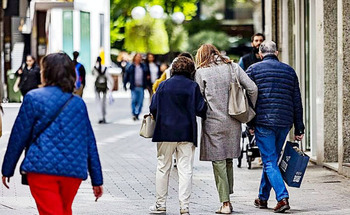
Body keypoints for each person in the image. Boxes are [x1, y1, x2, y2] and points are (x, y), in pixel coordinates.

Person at [1, 52, 103, 215]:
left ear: (46, 72)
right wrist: (97, 179)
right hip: (73, 171)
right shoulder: (78, 103)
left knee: (52, 211)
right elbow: (90, 142)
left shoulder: (33, 98)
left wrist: (7, 169)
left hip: (41, 169)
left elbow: (18, 137)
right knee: (63, 210)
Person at [195, 44, 258, 214]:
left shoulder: (201, 72)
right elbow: (252, 88)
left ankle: (225, 202)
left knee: (219, 161)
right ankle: (228, 193)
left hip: (212, 121)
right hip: (234, 120)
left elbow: (198, 98)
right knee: (228, 157)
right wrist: (249, 109)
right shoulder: (233, 67)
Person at [246, 41, 304, 213]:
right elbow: (297, 102)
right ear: (277, 53)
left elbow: (248, 100)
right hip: (284, 122)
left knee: (269, 160)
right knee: (271, 160)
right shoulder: (289, 71)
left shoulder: (253, 70)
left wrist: (250, 123)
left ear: (260, 53)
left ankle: (282, 197)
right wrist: (299, 128)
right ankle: (262, 198)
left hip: (263, 122)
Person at [149, 56, 207, 215]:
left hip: (165, 132)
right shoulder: (193, 87)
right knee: (185, 170)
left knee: (162, 168)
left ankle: (160, 205)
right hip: (186, 133)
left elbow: (153, 107)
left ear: (173, 69)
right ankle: (184, 207)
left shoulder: (163, 86)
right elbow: (201, 109)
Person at [124, 53, 150, 120]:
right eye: (137, 57)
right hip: (134, 86)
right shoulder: (130, 66)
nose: (138, 58)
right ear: (134, 58)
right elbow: (126, 76)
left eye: (139, 57)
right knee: (134, 100)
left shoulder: (143, 66)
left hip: (141, 86)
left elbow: (147, 75)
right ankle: (134, 113)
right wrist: (125, 84)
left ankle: (137, 114)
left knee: (140, 102)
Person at [92, 56, 114, 124]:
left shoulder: (95, 68)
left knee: (98, 102)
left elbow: (94, 75)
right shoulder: (105, 68)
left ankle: (100, 117)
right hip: (104, 86)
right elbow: (110, 78)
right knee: (103, 102)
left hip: (97, 87)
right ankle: (103, 116)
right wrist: (111, 87)